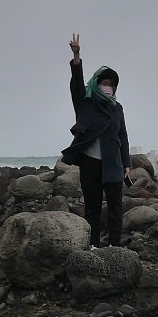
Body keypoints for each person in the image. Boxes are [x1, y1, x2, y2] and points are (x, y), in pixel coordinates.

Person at [60, 33, 131, 247]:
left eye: (111, 84)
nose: (107, 87)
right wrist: (76, 56)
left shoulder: (117, 108)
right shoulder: (85, 101)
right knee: (92, 206)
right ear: (96, 83)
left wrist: (126, 163)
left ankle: (115, 246)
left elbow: (122, 135)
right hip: (90, 163)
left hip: (113, 163)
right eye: (104, 83)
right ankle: (93, 246)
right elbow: (76, 83)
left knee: (115, 207)